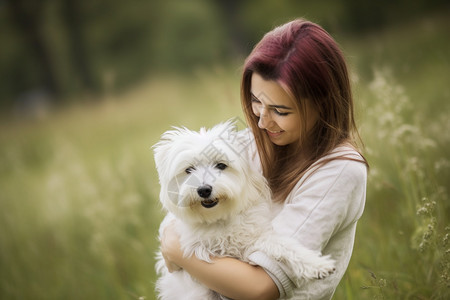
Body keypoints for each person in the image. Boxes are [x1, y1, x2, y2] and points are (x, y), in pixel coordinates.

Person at [160, 18, 368, 300]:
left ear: (323, 102)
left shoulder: (339, 171)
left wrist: (177, 249)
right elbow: (177, 204)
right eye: (257, 101)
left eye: (280, 111)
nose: (261, 122)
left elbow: (261, 288)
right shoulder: (248, 143)